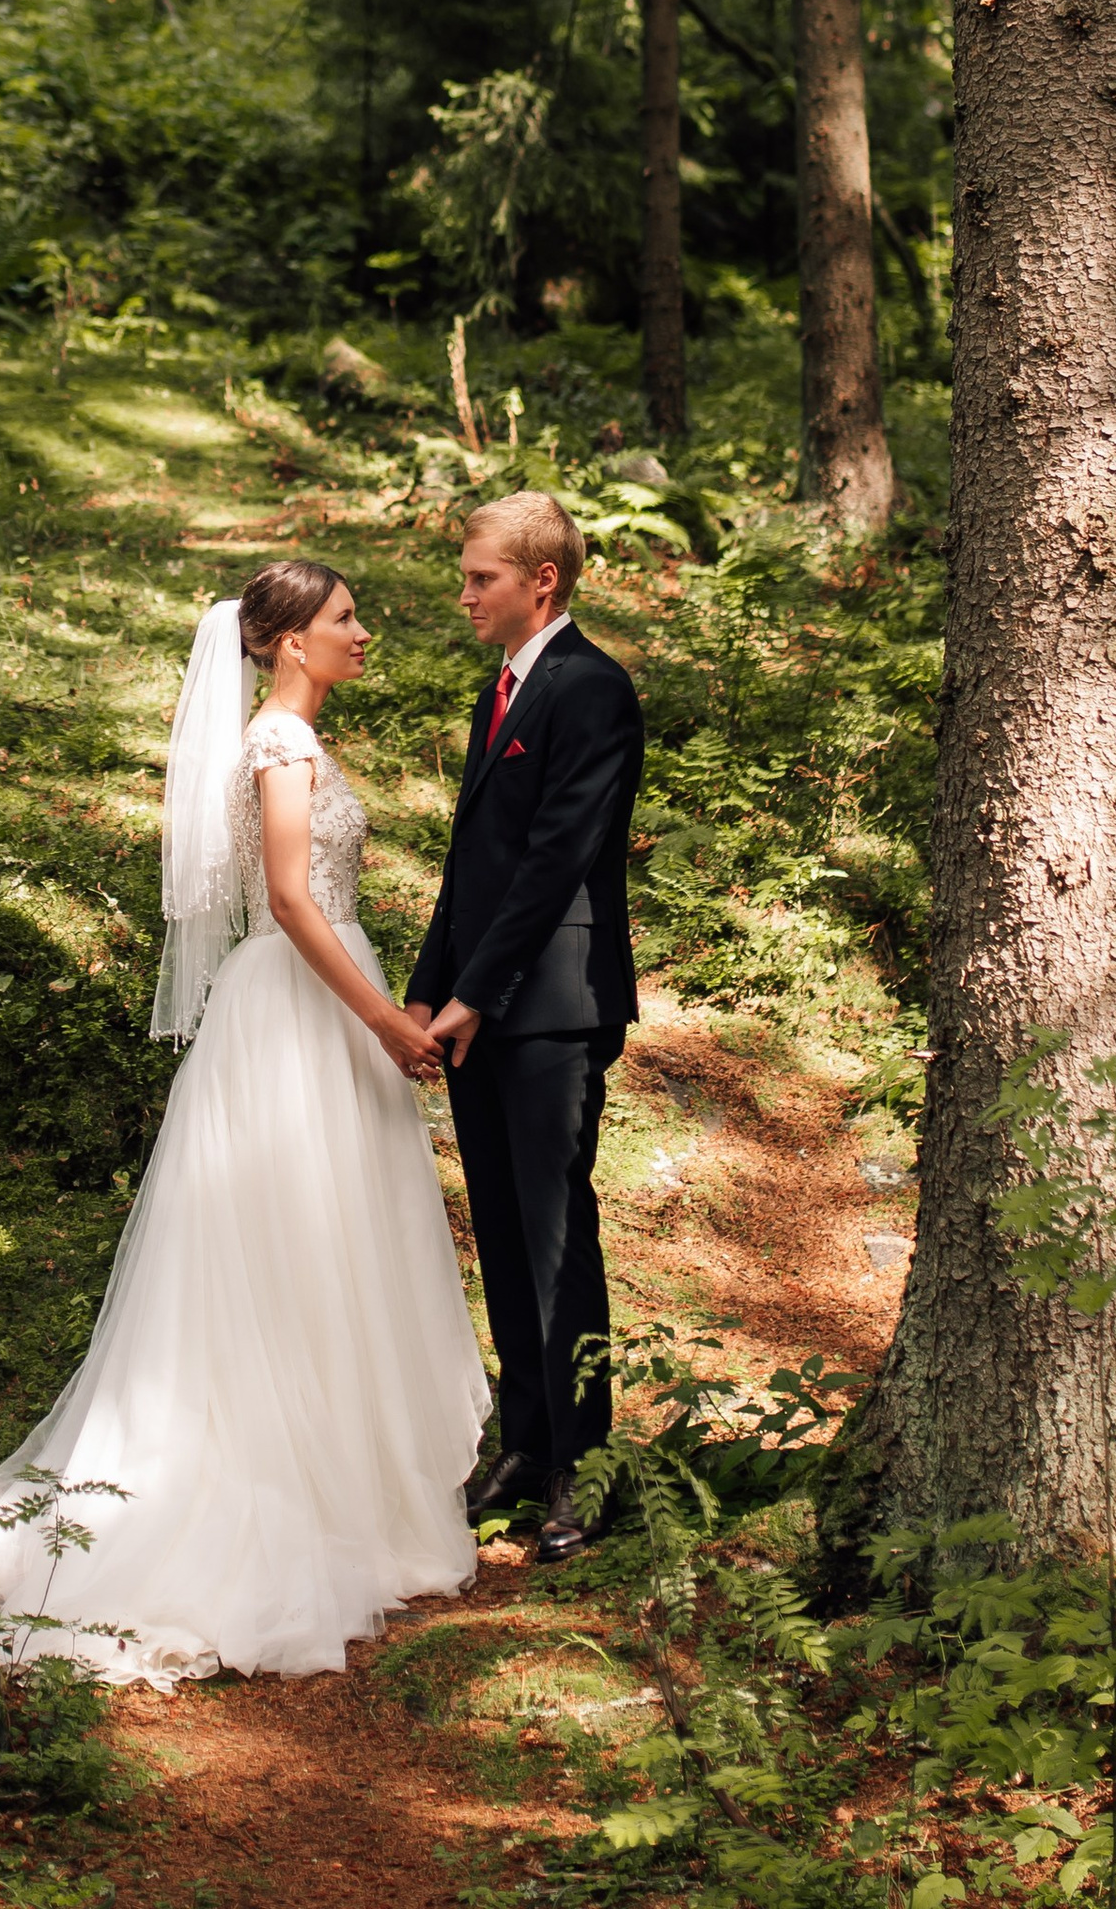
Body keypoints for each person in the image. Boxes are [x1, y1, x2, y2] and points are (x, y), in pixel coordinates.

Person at [0, 558, 490, 1684]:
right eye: (344, 617)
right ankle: (284, 1493)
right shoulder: (279, 746)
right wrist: (386, 1018)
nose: (361, 631)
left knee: (336, 1242)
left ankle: (350, 1477)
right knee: (296, 1244)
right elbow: (289, 899)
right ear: (289, 640)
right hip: (299, 1002)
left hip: (318, 997)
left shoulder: (292, 737)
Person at [406, 489, 643, 1565]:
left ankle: (585, 1468)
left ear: (541, 578)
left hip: (550, 1006)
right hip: (479, 1003)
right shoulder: (498, 687)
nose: (465, 593)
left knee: (555, 1238)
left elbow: (556, 857)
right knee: (499, 1229)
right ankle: (526, 1438)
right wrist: (427, 986)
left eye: (480, 576)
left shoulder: (590, 687)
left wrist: (481, 988)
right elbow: (474, 860)